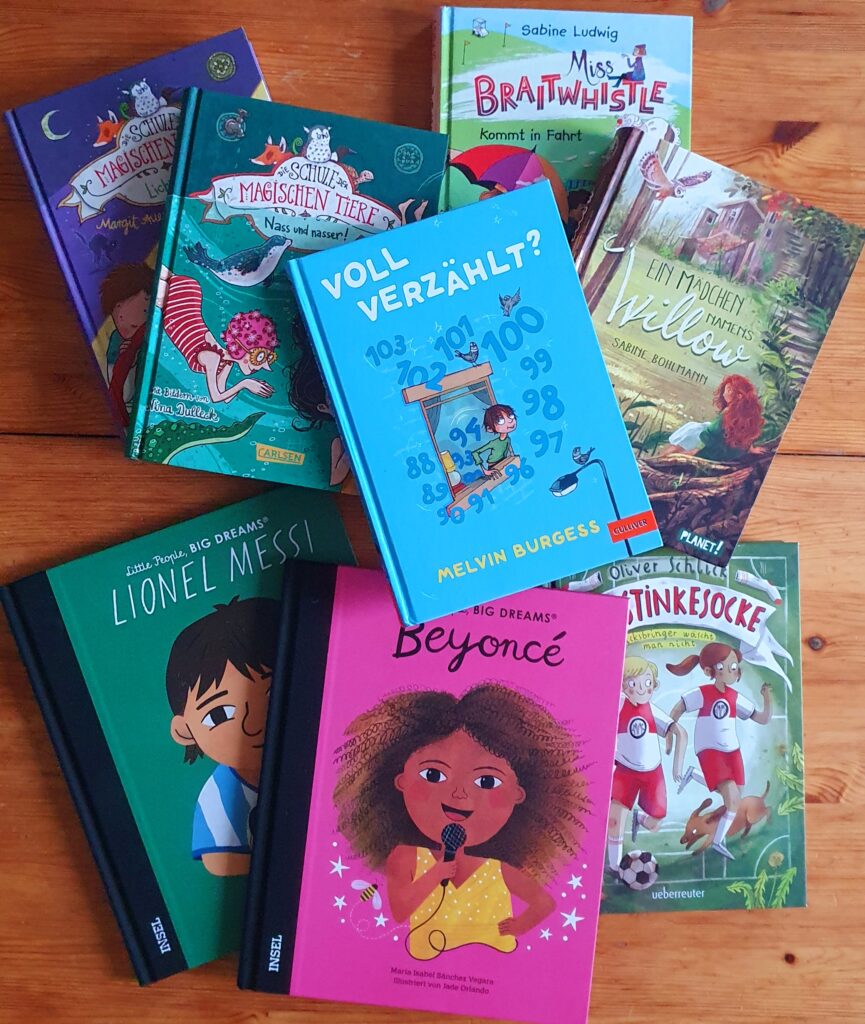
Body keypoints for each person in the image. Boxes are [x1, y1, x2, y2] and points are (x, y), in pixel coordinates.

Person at [332, 683, 585, 959]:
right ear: (400, 780)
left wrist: (519, 927)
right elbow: (400, 911)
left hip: (490, 960)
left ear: (519, 795)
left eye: (486, 781)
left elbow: (544, 903)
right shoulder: (406, 858)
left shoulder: (497, 870)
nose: (459, 794)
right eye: (433, 775)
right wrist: (436, 873)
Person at [166, 596, 278, 876]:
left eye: (271, 692)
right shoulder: (217, 796)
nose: (253, 724)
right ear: (184, 731)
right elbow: (218, 861)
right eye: (219, 714)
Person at [668, 643, 772, 860]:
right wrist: (670, 732)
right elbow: (678, 708)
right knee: (732, 801)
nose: (733, 670)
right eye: (726, 666)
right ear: (709, 671)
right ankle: (717, 841)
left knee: (736, 796)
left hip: (731, 750)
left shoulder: (735, 697)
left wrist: (766, 697)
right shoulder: (702, 693)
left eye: (734, 666)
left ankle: (693, 774)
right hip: (710, 749)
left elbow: (762, 718)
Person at [607, 657, 686, 875]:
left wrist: (677, 767)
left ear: (654, 685)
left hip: (653, 772)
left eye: (648, 682)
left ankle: (639, 818)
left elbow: (680, 732)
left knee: (655, 823)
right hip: (624, 770)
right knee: (615, 819)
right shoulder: (619, 703)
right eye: (633, 683)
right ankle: (615, 866)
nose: (642, 689)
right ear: (623, 685)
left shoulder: (652, 711)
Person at [155, 267, 277, 405]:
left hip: (181, 307)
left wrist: (245, 385)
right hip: (179, 309)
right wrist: (245, 384)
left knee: (157, 275)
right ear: (242, 346)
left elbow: (225, 398)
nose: (262, 366)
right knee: (154, 276)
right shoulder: (213, 357)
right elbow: (215, 397)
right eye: (259, 357)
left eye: (268, 358)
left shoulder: (227, 362)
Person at [99, 263, 152, 427]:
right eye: (117, 307)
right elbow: (121, 392)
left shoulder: (152, 338)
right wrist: (128, 363)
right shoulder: (116, 339)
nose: (122, 317)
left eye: (145, 310)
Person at [667, 374, 764, 462]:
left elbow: (709, 434)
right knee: (700, 426)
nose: (724, 394)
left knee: (693, 428)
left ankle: (668, 454)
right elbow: (747, 436)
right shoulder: (750, 414)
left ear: (739, 395)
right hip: (733, 453)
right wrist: (751, 449)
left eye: (729, 390)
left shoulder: (728, 412)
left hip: (715, 454)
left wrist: (695, 451)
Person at [471, 404, 518, 478]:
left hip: (504, 462)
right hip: (493, 466)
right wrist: (485, 470)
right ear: (490, 429)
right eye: (500, 421)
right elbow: (475, 453)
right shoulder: (493, 443)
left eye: (510, 416)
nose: (510, 421)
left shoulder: (508, 439)